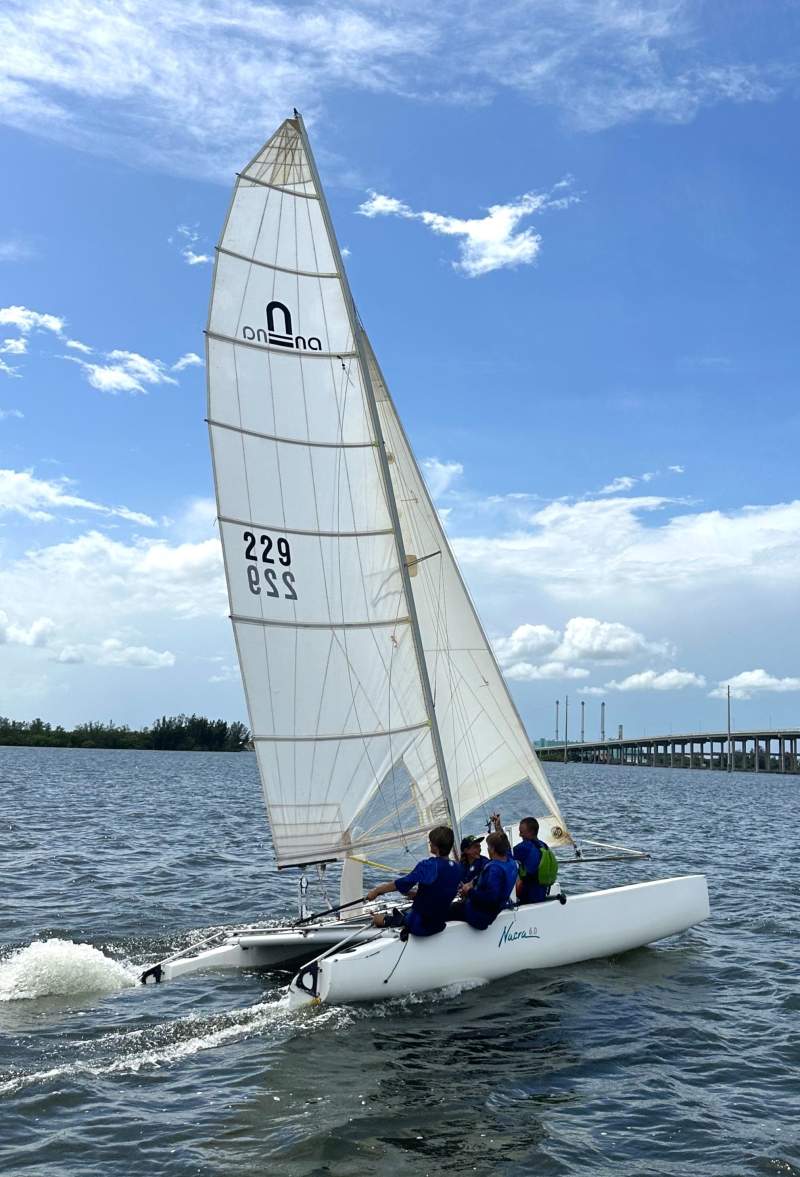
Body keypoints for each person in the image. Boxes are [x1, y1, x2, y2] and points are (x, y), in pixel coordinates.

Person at [365, 825, 461, 938]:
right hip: (438, 924)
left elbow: (401, 883)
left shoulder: (429, 866)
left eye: (430, 842)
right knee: (406, 913)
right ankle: (398, 918)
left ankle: (386, 920)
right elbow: (440, 890)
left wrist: (377, 891)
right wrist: (416, 894)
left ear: (435, 846)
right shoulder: (457, 868)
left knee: (378, 919)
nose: (429, 843)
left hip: (420, 926)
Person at [447, 831, 518, 930]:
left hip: (479, 916)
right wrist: (472, 883)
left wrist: (469, 891)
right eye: (475, 846)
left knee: (443, 911)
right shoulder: (510, 862)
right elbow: (507, 849)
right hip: (480, 908)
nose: (482, 849)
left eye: (487, 847)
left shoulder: (492, 868)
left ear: (492, 849)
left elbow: (490, 900)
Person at [492, 813, 551, 905]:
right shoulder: (543, 846)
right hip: (542, 891)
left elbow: (505, 853)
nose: (520, 835)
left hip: (530, 895)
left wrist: (498, 830)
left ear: (531, 832)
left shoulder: (525, 847)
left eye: (522, 832)